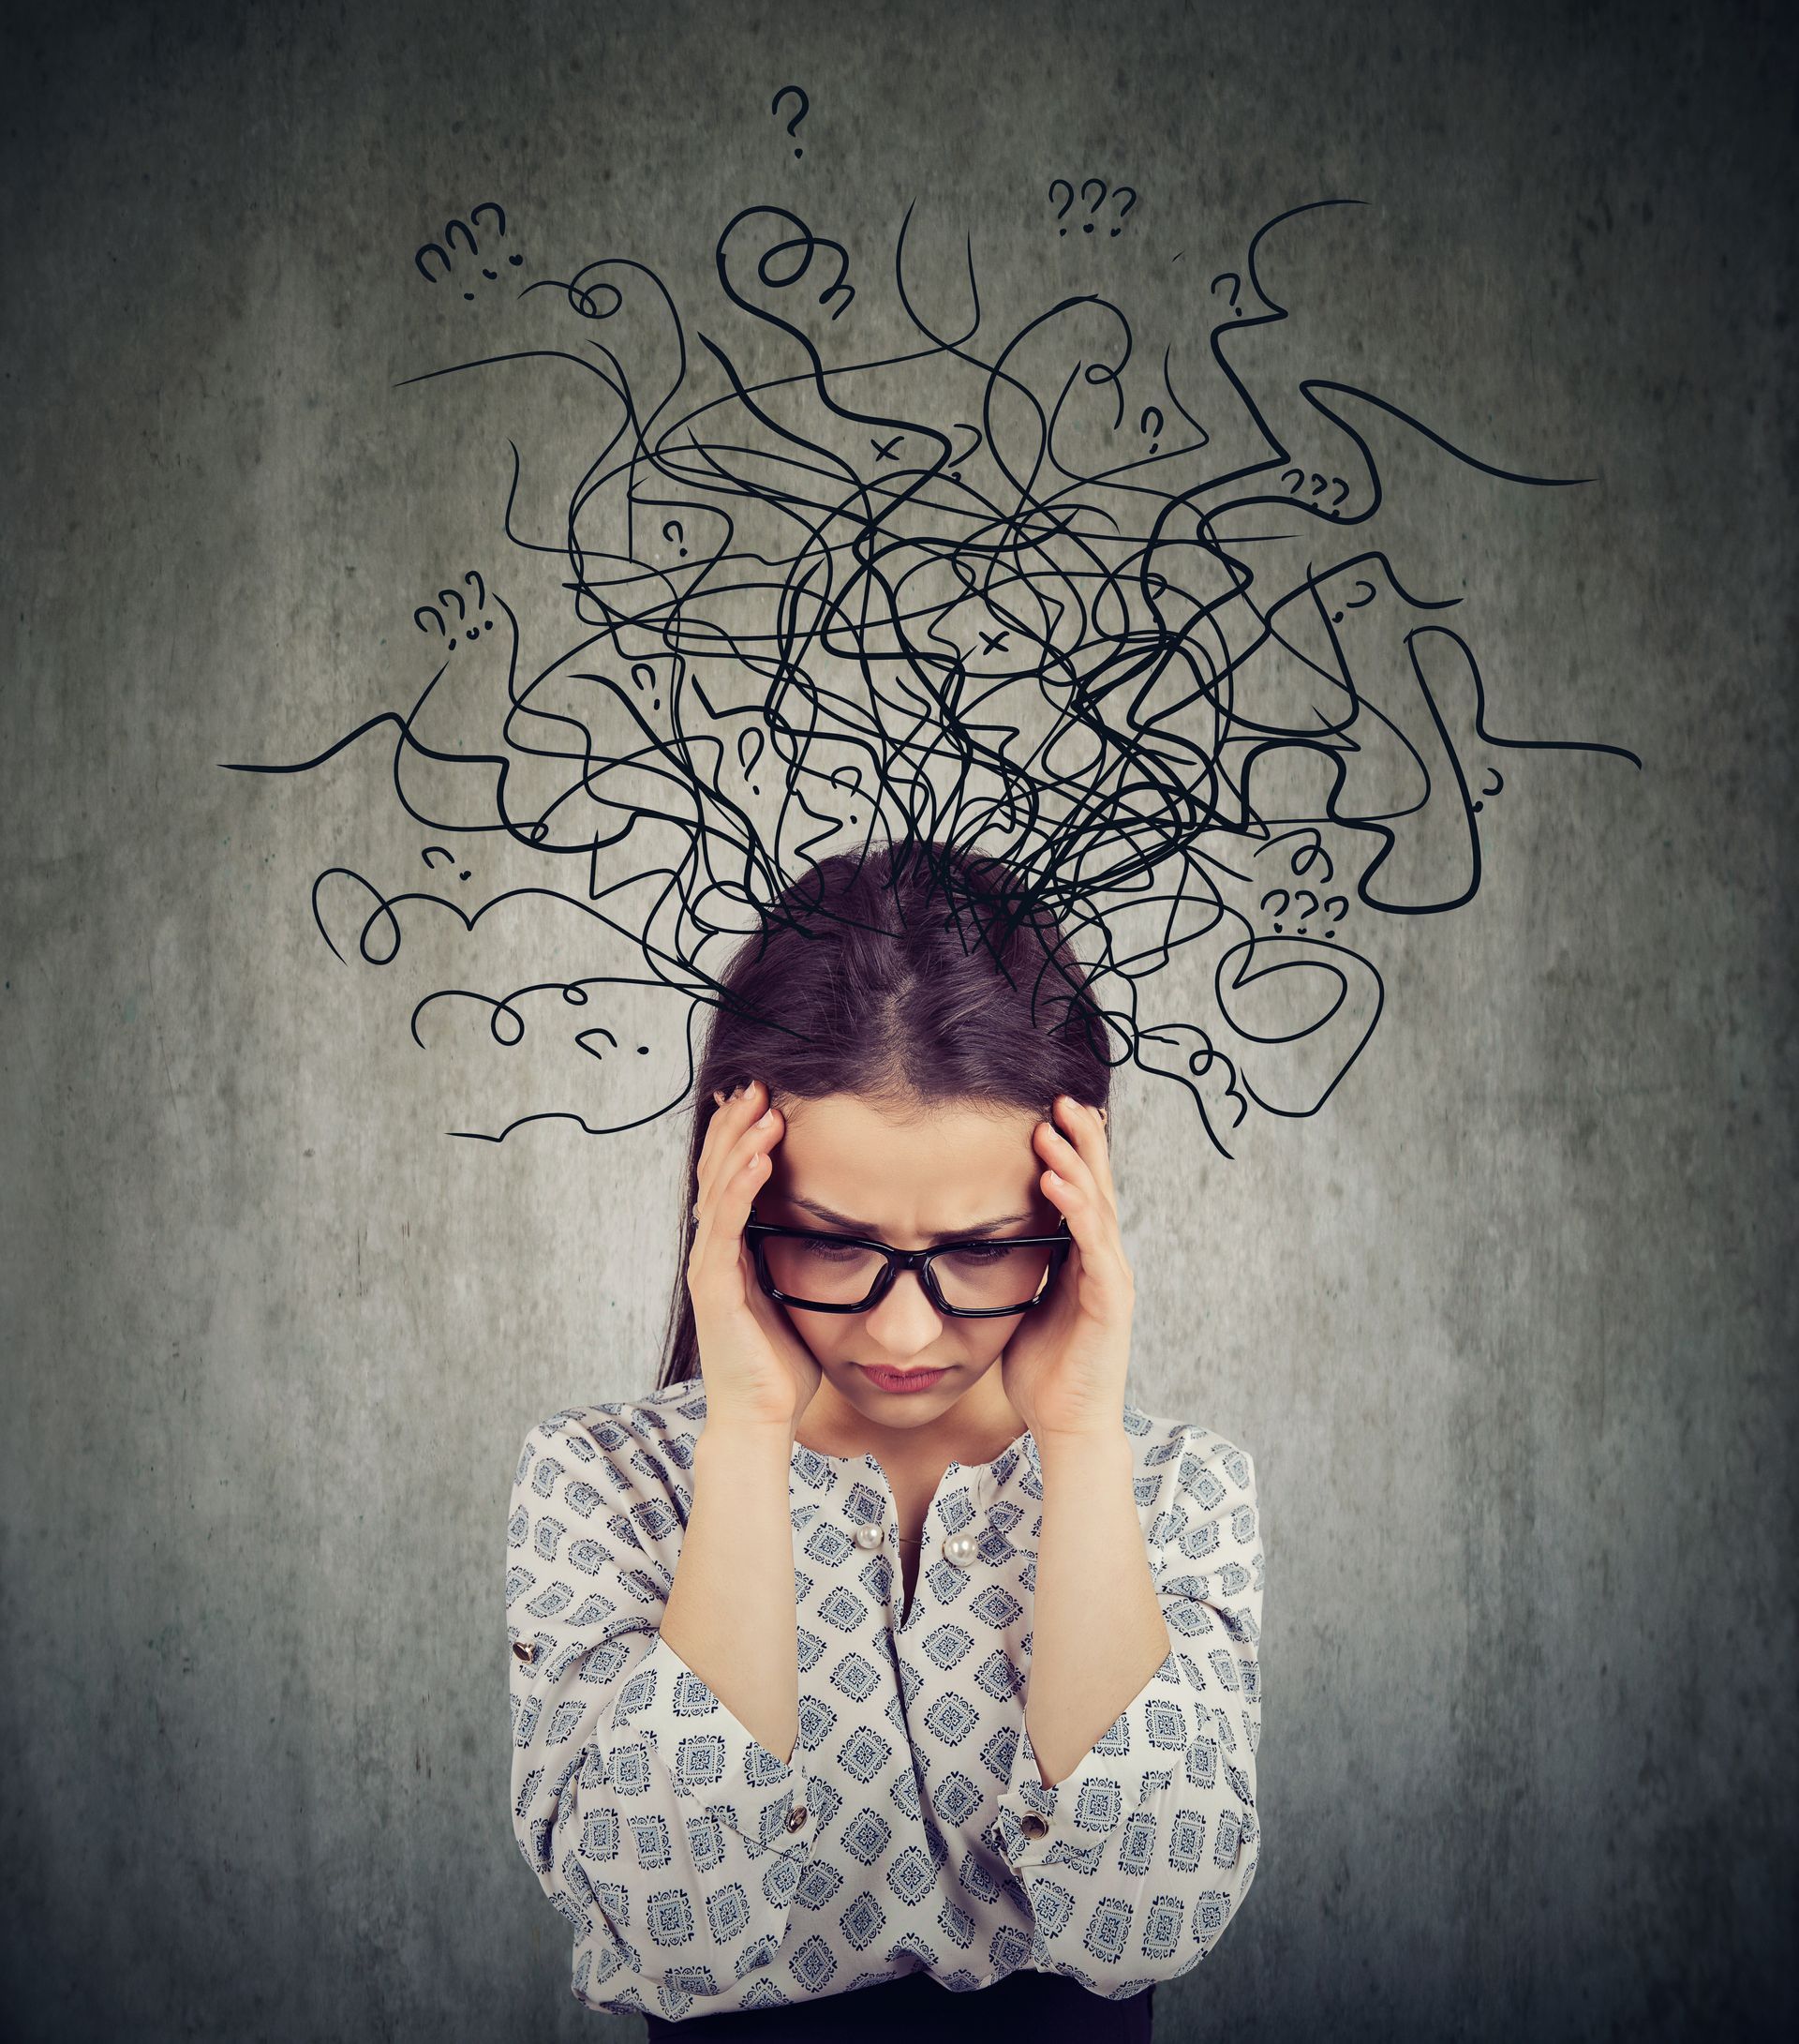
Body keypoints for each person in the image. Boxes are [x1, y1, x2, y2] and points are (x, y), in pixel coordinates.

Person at [507, 840, 1264, 2037]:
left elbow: (1157, 1914)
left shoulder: (1181, 1491)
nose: (904, 1327)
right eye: (833, 1240)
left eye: (977, 1250)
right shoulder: (605, 1484)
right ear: (736, 1195)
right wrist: (749, 1431)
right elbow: (676, 1934)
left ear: (1075, 1213)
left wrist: (1078, 1437)